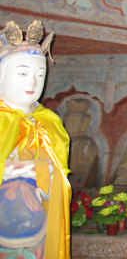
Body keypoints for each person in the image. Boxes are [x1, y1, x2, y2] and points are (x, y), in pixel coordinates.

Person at [0, 20, 70, 259]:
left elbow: (59, 176)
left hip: (38, 220)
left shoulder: (49, 122)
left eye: (40, 74)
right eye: (22, 73)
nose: (32, 82)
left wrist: (44, 173)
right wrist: (11, 170)